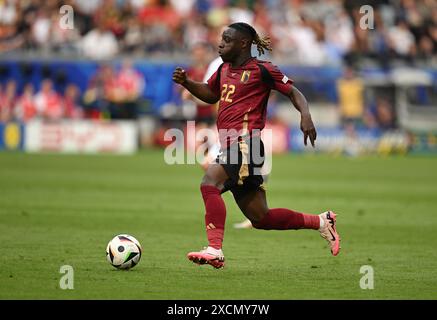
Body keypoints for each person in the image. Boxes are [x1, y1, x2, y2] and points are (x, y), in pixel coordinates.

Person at [172, 22, 341, 269]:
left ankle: (214, 249)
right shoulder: (223, 69)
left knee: (209, 183)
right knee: (261, 217)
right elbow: (210, 93)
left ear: (242, 44)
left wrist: (305, 115)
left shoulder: (262, 70)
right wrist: (188, 82)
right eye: (221, 39)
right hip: (230, 144)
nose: (220, 43)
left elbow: (293, 92)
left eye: (227, 40)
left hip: (246, 144)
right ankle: (321, 222)